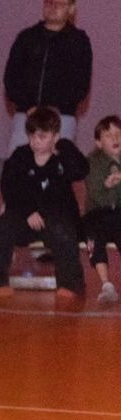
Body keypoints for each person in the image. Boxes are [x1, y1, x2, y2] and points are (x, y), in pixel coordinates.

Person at [0, 107, 88, 299]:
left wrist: (65, 148)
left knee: (64, 232)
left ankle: (70, 285)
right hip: (25, 216)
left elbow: (81, 171)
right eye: (32, 136)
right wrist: (28, 212)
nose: (36, 141)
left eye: (42, 136)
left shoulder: (63, 155)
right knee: (1, 227)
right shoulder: (20, 156)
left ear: (55, 136)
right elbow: (9, 187)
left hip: (56, 218)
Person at [4, 0, 93, 150]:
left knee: (60, 164)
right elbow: (11, 78)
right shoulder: (26, 38)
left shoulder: (79, 42)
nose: (52, 7)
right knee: (18, 164)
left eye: (59, 3)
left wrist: (53, 109)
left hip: (62, 118)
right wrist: (29, 107)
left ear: (71, 9)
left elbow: (81, 84)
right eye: (49, 2)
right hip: (26, 116)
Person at [84, 115, 121, 303]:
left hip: (118, 213)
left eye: (118, 133)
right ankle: (106, 284)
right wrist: (108, 186)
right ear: (98, 143)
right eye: (108, 135)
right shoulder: (92, 161)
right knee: (93, 235)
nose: (115, 138)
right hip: (97, 213)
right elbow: (96, 195)